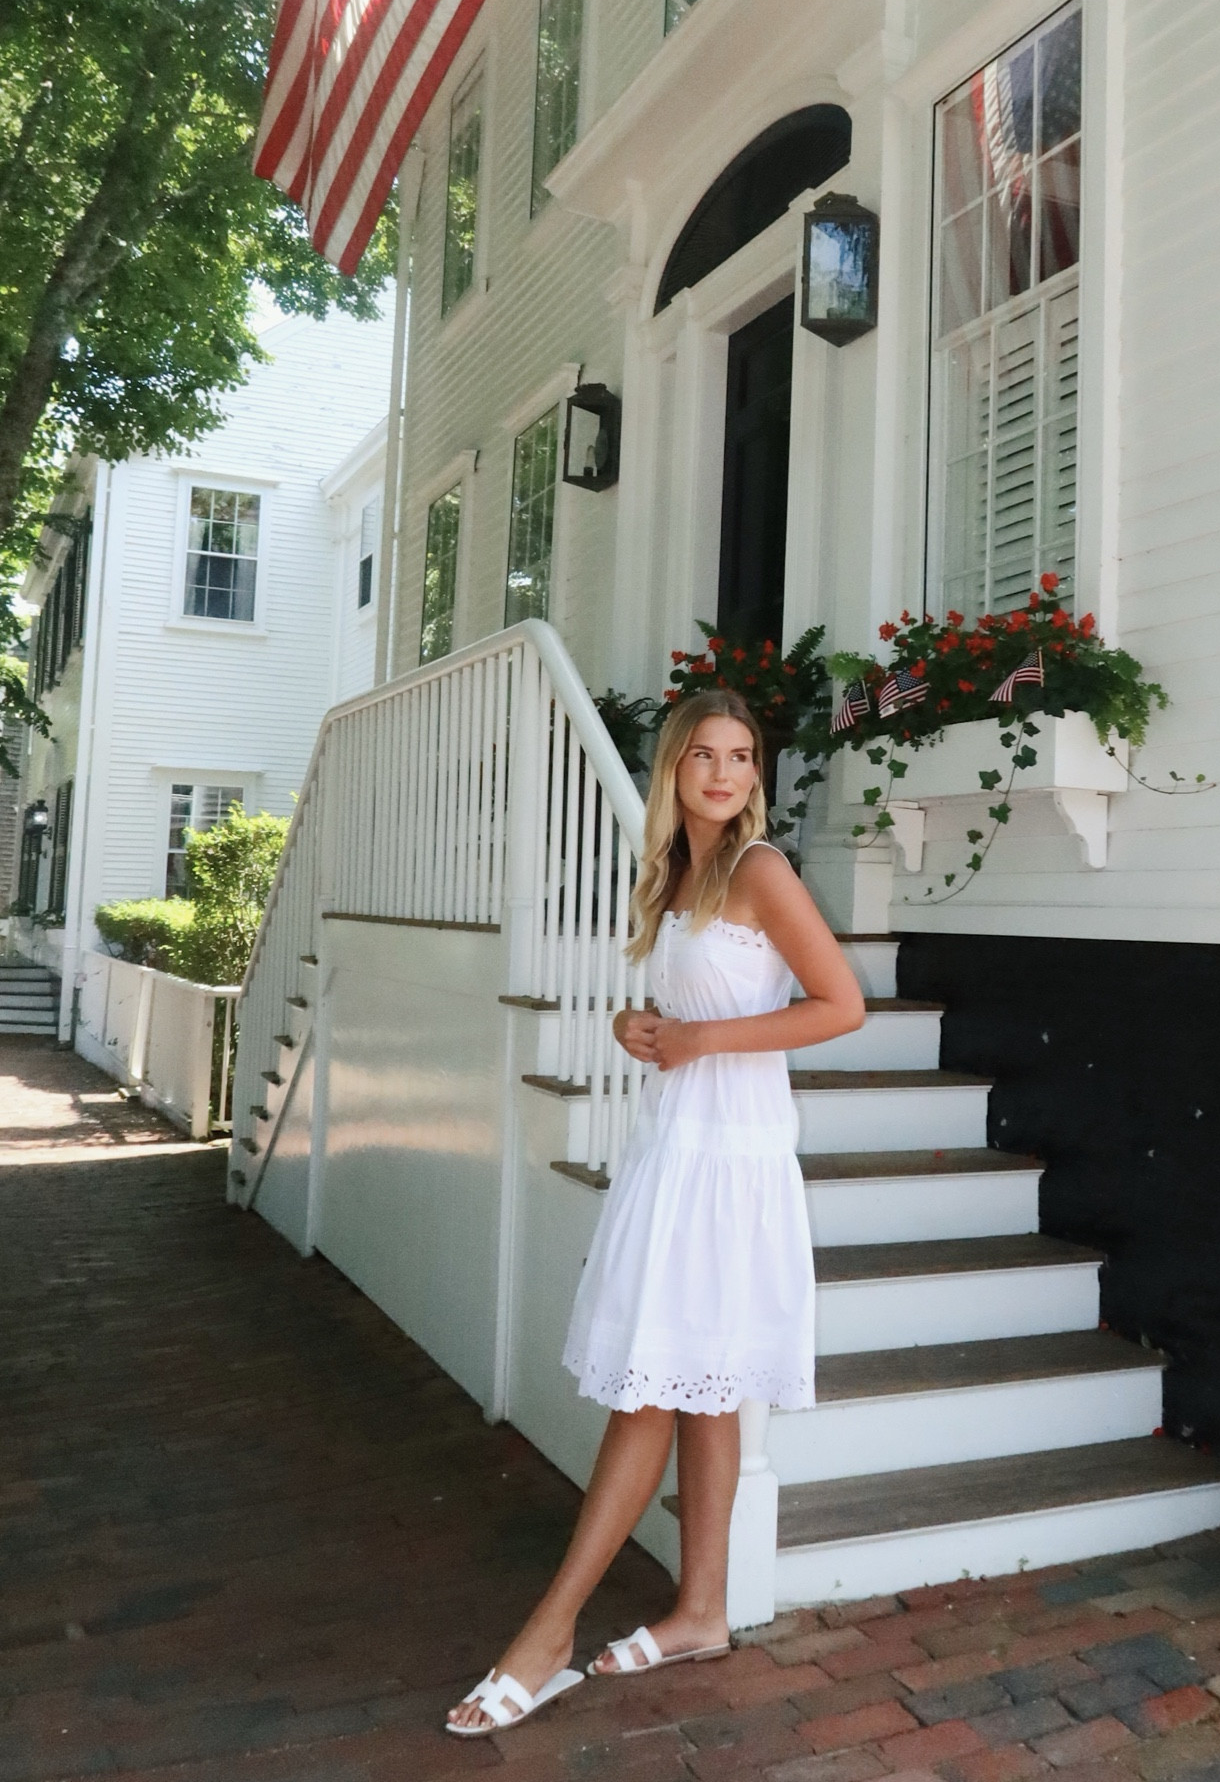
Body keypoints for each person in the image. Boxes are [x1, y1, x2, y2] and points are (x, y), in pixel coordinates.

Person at [447, 689, 865, 1736]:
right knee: (700, 1386)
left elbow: (840, 1005)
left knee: (651, 1388)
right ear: (673, 768)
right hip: (676, 1147)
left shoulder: (760, 868)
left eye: (743, 755)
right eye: (706, 755)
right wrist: (642, 1022)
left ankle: (547, 1635)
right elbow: (694, 1008)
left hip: (732, 1160)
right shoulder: (675, 876)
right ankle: (701, 1610)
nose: (726, 772)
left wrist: (701, 1042)